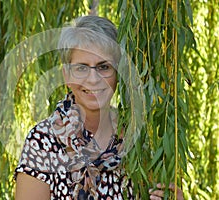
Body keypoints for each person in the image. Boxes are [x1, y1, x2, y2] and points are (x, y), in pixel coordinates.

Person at [13, 15, 183, 200]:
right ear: (66, 75)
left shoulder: (137, 138)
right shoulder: (42, 142)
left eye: (104, 67)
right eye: (81, 68)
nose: (93, 79)